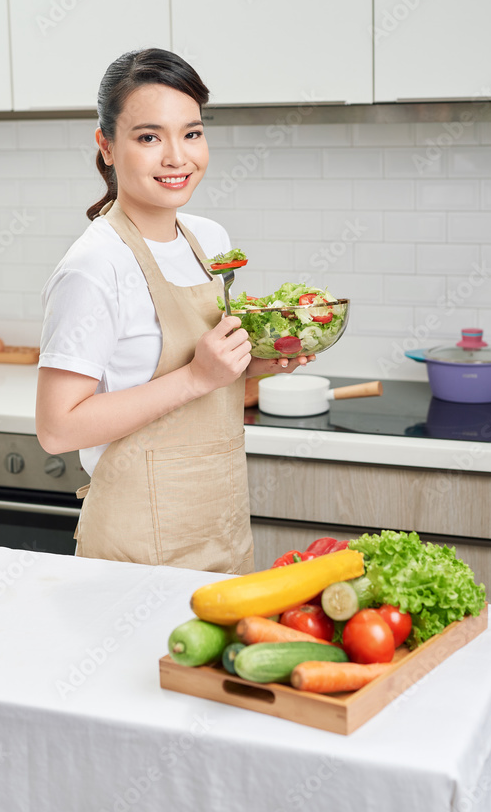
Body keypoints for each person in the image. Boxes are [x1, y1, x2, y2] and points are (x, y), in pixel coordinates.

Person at [36, 48, 315, 574]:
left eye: (192, 133)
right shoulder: (94, 266)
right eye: (148, 137)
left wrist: (251, 361)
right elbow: (57, 428)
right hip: (132, 552)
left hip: (219, 529)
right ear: (107, 146)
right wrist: (196, 377)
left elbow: (201, 373)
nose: (177, 157)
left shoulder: (208, 240)